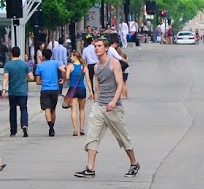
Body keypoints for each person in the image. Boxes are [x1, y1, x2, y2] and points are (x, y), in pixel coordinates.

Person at [74, 37, 139, 179]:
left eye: (99, 46)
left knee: (122, 137)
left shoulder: (114, 63)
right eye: (95, 46)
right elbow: (98, 87)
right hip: (100, 107)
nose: (96, 48)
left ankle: (134, 163)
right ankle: (90, 168)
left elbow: (120, 84)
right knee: (92, 136)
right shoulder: (96, 67)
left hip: (113, 108)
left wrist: (114, 102)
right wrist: (96, 103)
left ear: (106, 48)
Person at [2, 46, 32, 137]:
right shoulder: (25, 65)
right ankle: (24, 125)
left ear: (11, 54)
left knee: (12, 110)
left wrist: (4, 89)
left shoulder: (8, 65)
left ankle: (13, 131)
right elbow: (31, 77)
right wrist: (25, 79)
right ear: (19, 54)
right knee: (23, 109)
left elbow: (5, 77)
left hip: (12, 92)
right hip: (23, 91)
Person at [34, 48, 65, 136]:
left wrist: (43, 82)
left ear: (43, 56)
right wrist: (62, 79)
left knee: (47, 109)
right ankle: (52, 126)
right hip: (55, 89)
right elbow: (63, 70)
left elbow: (37, 81)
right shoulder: (56, 63)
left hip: (45, 89)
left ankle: (50, 127)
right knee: (53, 109)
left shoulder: (40, 66)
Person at [64, 50, 89, 135]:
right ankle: (82, 128)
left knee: (73, 110)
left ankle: (75, 130)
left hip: (73, 89)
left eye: (71, 56)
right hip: (82, 89)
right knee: (82, 109)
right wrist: (91, 91)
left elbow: (67, 77)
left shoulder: (70, 66)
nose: (70, 58)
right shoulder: (84, 67)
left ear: (75, 56)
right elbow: (88, 80)